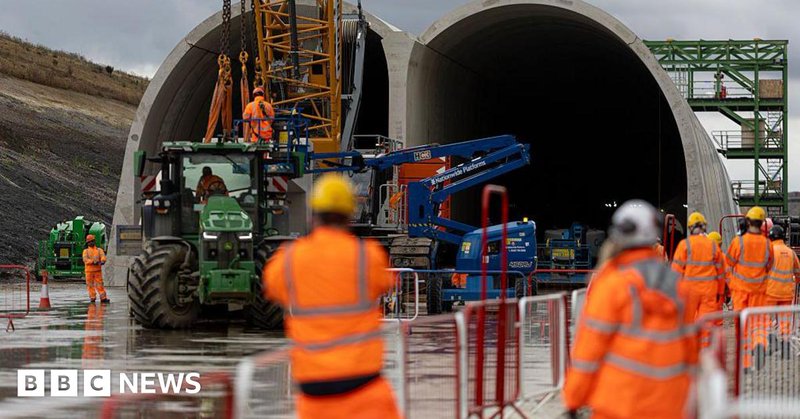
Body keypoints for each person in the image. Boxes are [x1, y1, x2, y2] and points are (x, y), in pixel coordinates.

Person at [263, 174, 401, 419]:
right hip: (365, 390)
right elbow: (385, 283)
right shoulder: (367, 257)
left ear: (313, 216)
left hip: (315, 396)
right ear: (349, 216)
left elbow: (272, 288)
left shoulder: (289, 260)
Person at [564, 200, 697, 419]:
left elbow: (589, 351)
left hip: (619, 406)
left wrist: (573, 399)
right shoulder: (679, 289)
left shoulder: (612, 285)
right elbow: (691, 353)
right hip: (670, 407)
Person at [726, 206, 774, 369]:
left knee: (743, 327)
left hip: (740, 292)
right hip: (759, 291)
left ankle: (745, 363)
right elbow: (769, 266)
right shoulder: (767, 244)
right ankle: (759, 343)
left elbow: (729, 262)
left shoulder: (738, 242)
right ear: (762, 223)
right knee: (759, 322)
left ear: (747, 221)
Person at [765, 225, 800, 348]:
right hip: (786, 293)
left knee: (767, 318)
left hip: (771, 292)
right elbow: (798, 271)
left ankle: (770, 341)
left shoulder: (769, 252)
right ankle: (785, 343)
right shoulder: (791, 253)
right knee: (785, 320)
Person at [82, 234, 109, 303]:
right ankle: (92, 297)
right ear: (87, 243)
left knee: (100, 285)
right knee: (90, 285)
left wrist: (103, 261)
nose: (91, 243)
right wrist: (93, 262)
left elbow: (103, 256)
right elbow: (85, 260)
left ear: (94, 241)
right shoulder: (86, 251)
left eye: (92, 241)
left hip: (97, 271)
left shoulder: (99, 250)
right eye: (89, 242)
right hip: (89, 272)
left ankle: (103, 298)